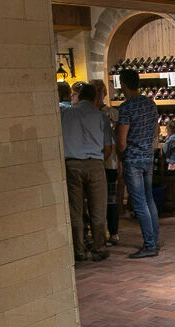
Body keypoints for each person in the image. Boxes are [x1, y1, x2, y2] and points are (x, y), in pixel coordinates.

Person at [60, 83, 114, 262]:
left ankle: (79, 251)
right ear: (95, 98)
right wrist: (98, 162)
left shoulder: (66, 114)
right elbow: (108, 148)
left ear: (79, 96)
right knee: (98, 209)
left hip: (72, 164)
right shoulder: (101, 117)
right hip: (95, 163)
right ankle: (99, 249)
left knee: (75, 210)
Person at [117, 68, 160, 258]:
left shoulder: (125, 108)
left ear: (123, 84)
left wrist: (120, 154)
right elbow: (156, 131)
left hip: (132, 160)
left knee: (140, 202)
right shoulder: (150, 104)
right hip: (148, 157)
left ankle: (149, 245)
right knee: (149, 199)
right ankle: (154, 241)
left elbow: (121, 142)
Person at [91, 78, 122, 246]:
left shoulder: (112, 113)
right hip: (93, 161)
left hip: (109, 162)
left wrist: (120, 161)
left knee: (110, 199)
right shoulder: (87, 114)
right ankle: (98, 235)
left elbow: (118, 138)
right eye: (94, 91)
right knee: (94, 201)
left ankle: (114, 233)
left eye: (100, 91)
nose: (98, 95)